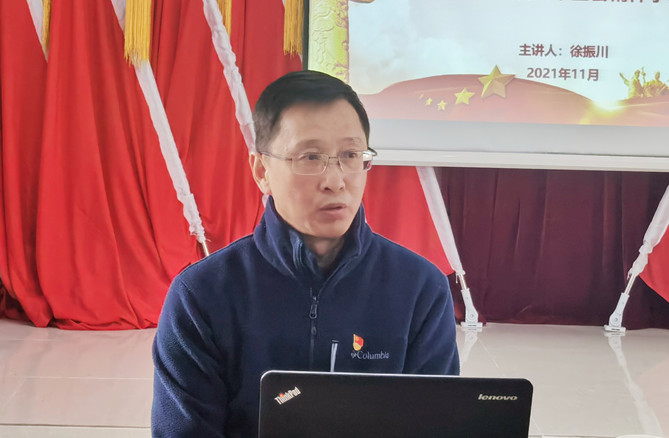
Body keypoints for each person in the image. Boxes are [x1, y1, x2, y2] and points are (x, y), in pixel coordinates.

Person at [151, 70, 460, 437]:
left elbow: (433, 425)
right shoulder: (202, 295)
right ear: (262, 170)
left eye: (350, 155)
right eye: (310, 157)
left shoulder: (420, 288)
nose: (336, 181)